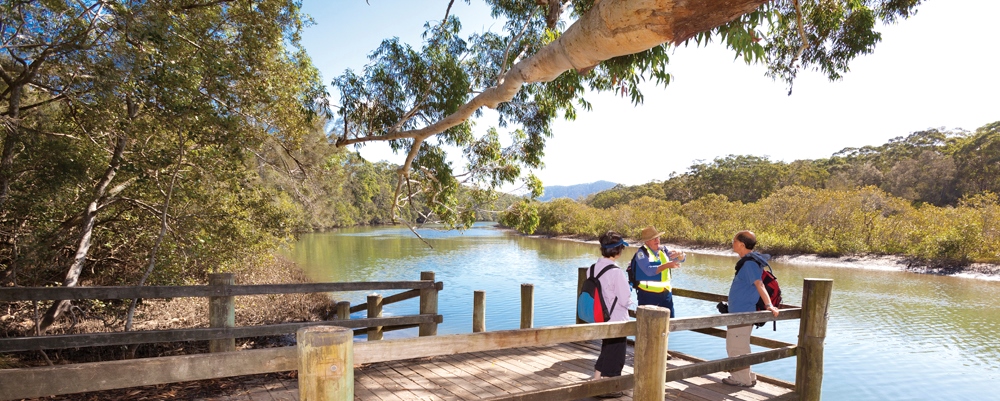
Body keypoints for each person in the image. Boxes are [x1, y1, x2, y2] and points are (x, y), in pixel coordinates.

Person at [723, 230, 780, 388]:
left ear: (741, 244)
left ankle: (741, 379)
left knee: (736, 347)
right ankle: (747, 375)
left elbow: (759, 284)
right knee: (739, 344)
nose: (732, 243)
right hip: (738, 312)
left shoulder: (749, 264)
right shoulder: (749, 262)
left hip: (742, 314)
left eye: (734, 241)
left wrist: (769, 305)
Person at [590, 231, 633, 398]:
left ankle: (597, 379)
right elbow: (624, 300)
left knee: (607, 348)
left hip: (601, 316)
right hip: (616, 318)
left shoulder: (593, 268)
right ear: (617, 250)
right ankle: (609, 387)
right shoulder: (616, 272)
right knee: (616, 354)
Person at [629, 225, 685, 317]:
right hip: (648, 296)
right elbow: (648, 271)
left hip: (666, 295)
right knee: (648, 326)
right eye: (653, 239)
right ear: (647, 242)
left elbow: (682, 259)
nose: (657, 240)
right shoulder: (641, 253)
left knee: (669, 324)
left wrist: (680, 254)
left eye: (658, 237)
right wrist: (667, 265)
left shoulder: (664, 250)